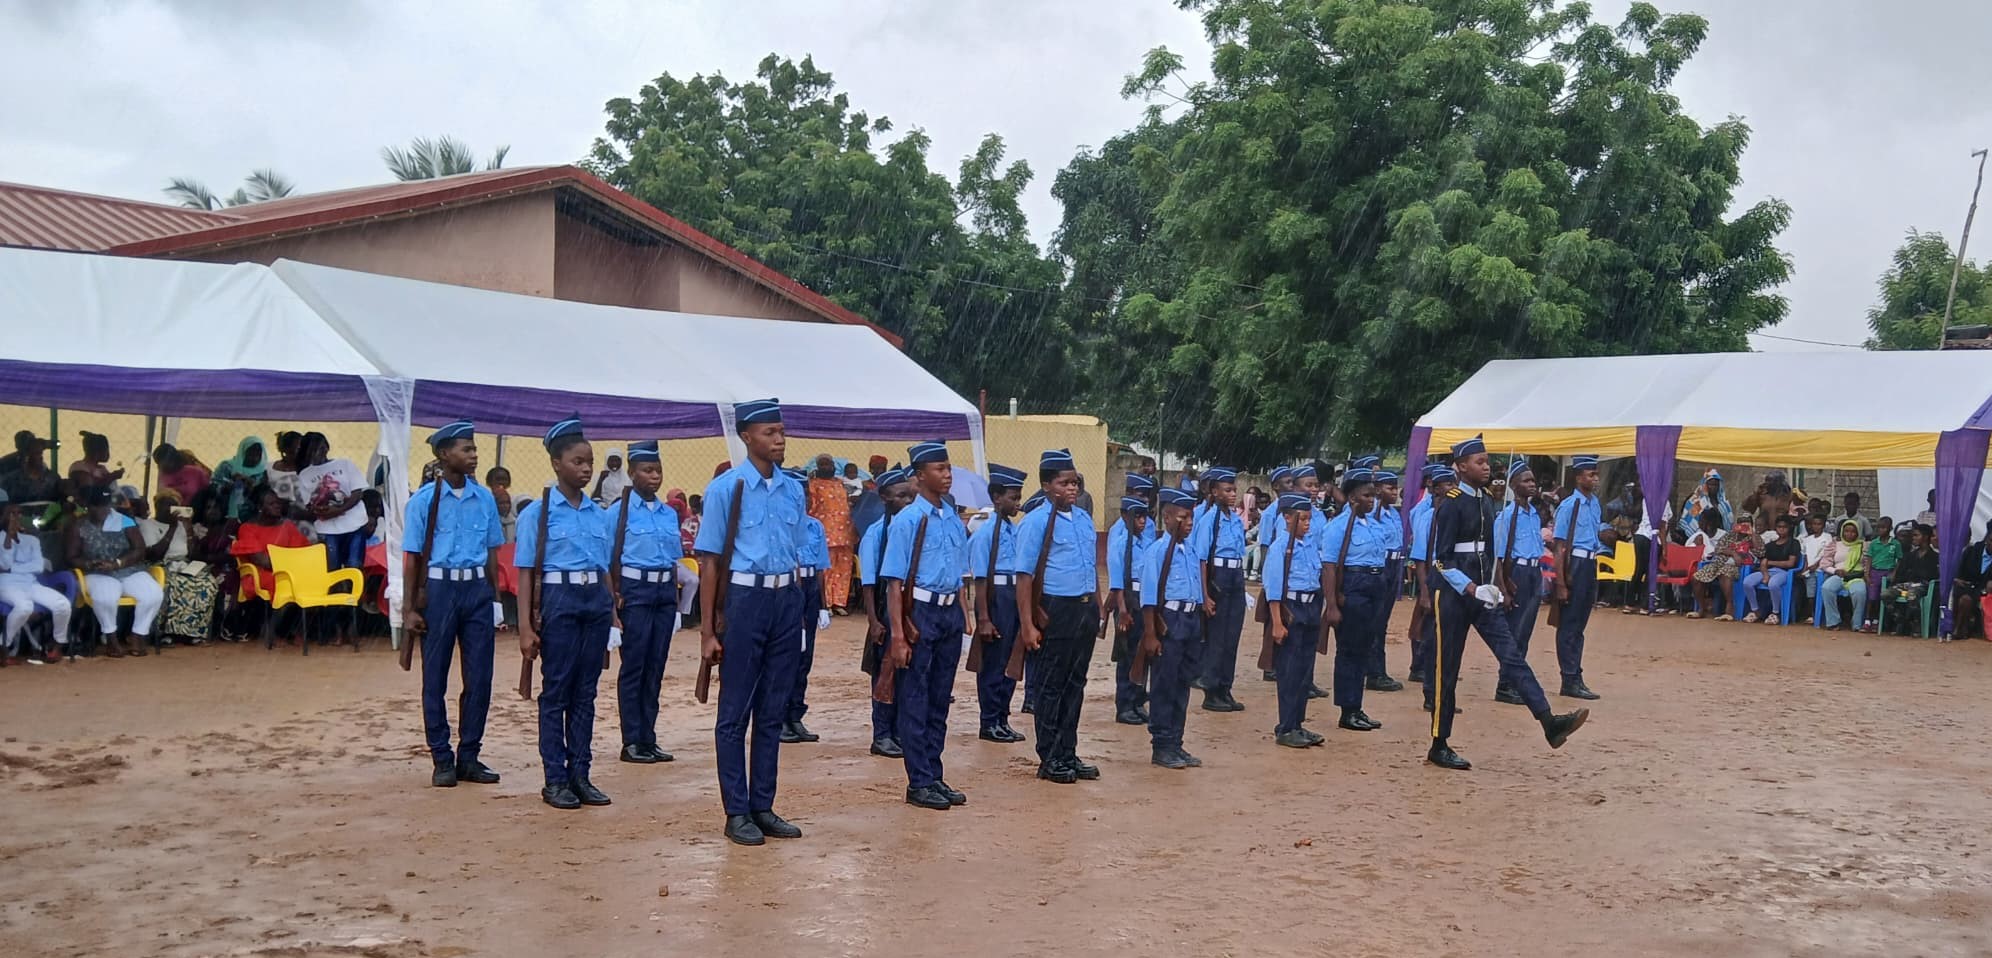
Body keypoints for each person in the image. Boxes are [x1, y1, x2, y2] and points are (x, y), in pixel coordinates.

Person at [1424, 435, 1589, 771]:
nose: (1486, 468)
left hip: (1483, 592)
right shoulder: (1451, 503)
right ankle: (1439, 743)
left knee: (1512, 655)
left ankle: (1548, 722)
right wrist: (1471, 588)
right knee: (1448, 669)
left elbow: (1490, 552)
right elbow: (1441, 561)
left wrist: (1495, 585)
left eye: (1487, 462)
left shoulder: (1487, 500)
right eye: (1479, 462)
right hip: (1454, 595)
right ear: (1460, 467)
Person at [696, 400, 807, 845]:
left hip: (786, 598)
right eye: (769, 432)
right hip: (745, 598)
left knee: (773, 708)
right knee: (734, 711)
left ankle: (763, 805)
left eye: (781, 431)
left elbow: (797, 548)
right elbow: (708, 563)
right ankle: (736, 811)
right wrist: (707, 630)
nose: (779, 440)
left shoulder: (793, 489)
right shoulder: (727, 488)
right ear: (747, 436)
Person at [516, 416, 615, 812]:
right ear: (557, 464)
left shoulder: (599, 514)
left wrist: (613, 615)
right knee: (556, 691)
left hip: (594, 602)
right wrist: (525, 627)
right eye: (578, 461)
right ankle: (555, 778)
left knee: (586, 693)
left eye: (589, 461)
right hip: (559, 598)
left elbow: (605, 568)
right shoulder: (537, 514)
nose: (586, 469)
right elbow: (525, 575)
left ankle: (581, 774)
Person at [401, 420, 505, 789]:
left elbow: (492, 551)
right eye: (466, 449)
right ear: (444, 455)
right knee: (436, 677)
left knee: (480, 677)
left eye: (474, 449)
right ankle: (441, 757)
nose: (473, 455)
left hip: (476, 590)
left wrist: (494, 599)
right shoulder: (423, 501)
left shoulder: (485, 499)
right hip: (440, 591)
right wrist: (409, 608)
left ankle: (470, 756)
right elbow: (412, 558)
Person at [877, 441, 971, 811]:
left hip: (948, 613)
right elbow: (894, 584)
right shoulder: (908, 521)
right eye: (939, 469)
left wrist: (965, 614)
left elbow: (960, 575)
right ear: (920, 476)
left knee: (939, 698)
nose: (947, 475)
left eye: (948, 468)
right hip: (921, 614)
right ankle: (918, 781)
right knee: (915, 697)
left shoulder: (951, 517)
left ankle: (934, 773)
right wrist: (898, 635)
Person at [1014, 448, 1103, 785]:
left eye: (1074, 482)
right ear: (1047, 485)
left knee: (1075, 684)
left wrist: (1097, 607)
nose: (1072, 488)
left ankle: (1068, 750)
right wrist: (1027, 624)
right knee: (1051, 685)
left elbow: (1090, 566)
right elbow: (1023, 576)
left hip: (1083, 609)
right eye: (1064, 482)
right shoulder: (1036, 521)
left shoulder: (1082, 518)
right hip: (1056, 609)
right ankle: (1050, 756)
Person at [1140, 488, 1207, 767]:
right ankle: (1162, 744)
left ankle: (1176, 742)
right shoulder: (1157, 551)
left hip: (1190, 621)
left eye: (1191, 517)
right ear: (1167, 518)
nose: (1189, 522)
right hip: (1169, 620)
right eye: (1183, 517)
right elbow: (1147, 599)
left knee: (1182, 684)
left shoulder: (1190, 550)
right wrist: (1151, 634)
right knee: (1164, 685)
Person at [1322, 469, 1390, 734]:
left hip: (1374, 585)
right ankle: (1347, 709)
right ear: (1351, 498)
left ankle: (1357, 706)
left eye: (1372, 495)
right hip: (1353, 586)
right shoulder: (1337, 527)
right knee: (1349, 650)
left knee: (1364, 648)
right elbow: (1329, 567)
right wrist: (1332, 605)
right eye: (1366, 495)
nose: (1371, 500)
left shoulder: (1372, 525)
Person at [968, 464, 1028, 744]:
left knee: (1011, 659)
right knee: (993, 661)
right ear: (996, 498)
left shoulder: (1011, 530)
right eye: (1012, 497)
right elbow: (980, 580)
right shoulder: (985, 534)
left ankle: (1002, 717)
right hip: (997, 598)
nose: (1017, 503)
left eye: (1018, 497)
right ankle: (989, 720)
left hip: (1015, 596)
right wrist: (983, 617)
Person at [1261, 491, 1325, 747]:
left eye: (1309, 520)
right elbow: (1274, 589)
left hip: (1310, 608)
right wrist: (1277, 622)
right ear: (1287, 518)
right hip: (1291, 608)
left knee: (1304, 671)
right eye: (1303, 520)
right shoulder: (1280, 548)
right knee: (1289, 670)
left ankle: (1297, 723)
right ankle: (1286, 726)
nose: (1307, 525)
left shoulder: (1308, 545)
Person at [70, 484, 162, 656]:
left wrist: (118, 563)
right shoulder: (79, 525)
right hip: (97, 573)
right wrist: (90, 563)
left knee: (153, 593)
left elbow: (139, 549)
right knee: (106, 596)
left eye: (107, 505)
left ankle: (138, 635)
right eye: (98, 505)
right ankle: (111, 639)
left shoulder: (124, 521)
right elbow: (72, 556)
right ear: (88, 507)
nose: (104, 509)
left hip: (127, 570)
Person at [859, 467, 913, 758]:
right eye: (900, 496)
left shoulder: (910, 527)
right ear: (884, 498)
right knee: (884, 674)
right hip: (883, 609)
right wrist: (874, 621)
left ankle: (899, 731)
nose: (906, 501)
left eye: (909, 495)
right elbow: (869, 582)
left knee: (905, 675)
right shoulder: (876, 533)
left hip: (908, 608)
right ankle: (881, 734)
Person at [1189, 466, 1248, 712]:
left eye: (1234, 489)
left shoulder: (1234, 519)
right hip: (1218, 575)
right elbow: (1202, 559)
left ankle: (1225, 687)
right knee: (1217, 638)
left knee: (1232, 636)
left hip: (1235, 575)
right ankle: (1211, 690)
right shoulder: (1209, 520)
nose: (1233, 494)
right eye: (1227, 490)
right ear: (1214, 492)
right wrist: (1205, 596)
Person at [1549, 456, 1604, 700]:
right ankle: (1569, 677)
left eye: (1595, 474)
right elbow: (1560, 546)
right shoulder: (1570, 505)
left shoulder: (1594, 503)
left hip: (1590, 562)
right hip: (1575, 563)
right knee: (1569, 624)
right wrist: (1560, 582)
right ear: (1578, 477)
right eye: (1590, 474)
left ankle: (1575, 674)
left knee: (1579, 624)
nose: (1595, 479)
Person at [1492, 459, 1546, 705]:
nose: (1532, 485)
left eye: (1533, 480)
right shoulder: (1507, 517)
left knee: (1525, 632)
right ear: (1514, 485)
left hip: (1534, 573)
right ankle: (1505, 684)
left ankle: (1512, 682)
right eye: (1526, 480)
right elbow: (1499, 557)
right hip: (1517, 575)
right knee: (1514, 631)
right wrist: (1504, 589)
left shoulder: (1534, 515)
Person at [783, 467, 828, 745]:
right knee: (785, 657)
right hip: (789, 588)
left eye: (806, 494)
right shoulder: (782, 525)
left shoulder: (815, 526)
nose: (804, 499)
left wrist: (823, 605)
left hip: (810, 590)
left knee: (805, 657)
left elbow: (821, 568)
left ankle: (796, 714)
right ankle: (778, 718)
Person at [0, 491, 71, 661]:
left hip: (31, 584)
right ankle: (4, 645)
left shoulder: (32, 540)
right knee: (24, 607)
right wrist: (9, 537)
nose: (16, 517)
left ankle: (57, 644)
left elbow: (38, 567)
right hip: (6, 584)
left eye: (19, 513)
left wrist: (12, 569)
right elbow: (5, 565)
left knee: (62, 604)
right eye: (12, 513)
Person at [1407, 463, 1456, 696]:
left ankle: (1439, 684)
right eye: (1448, 484)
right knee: (1428, 632)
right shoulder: (1427, 517)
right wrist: (1424, 592)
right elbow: (1420, 558)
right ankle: (1427, 682)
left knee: (1447, 635)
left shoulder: (1454, 513)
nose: (1453, 488)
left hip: (1452, 578)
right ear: (1435, 488)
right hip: (1434, 577)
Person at [293, 433, 369, 573]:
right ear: (307, 452)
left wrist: (339, 510)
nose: (319, 453)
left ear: (327, 447)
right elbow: (308, 504)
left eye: (321, 448)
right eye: (314, 450)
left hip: (354, 524)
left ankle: (353, 594)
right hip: (328, 529)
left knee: (354, 566)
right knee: (332, 569)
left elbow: (358, 493)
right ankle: (337, 594)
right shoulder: (304, 475)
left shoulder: (345, 464)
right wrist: (319, 510)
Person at [1107, 494, 1151, 726]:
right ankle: (1123, 705)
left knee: (1141, 654)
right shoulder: (1120, 544)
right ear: (1125, 516)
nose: (1142, 520)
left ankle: (1136, 701)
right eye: (1137, 516)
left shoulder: (1144, 542)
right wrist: (1122, 611)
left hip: (1143, 600)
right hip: (1128, 601)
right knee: (1127, 654)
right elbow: (1116, 583)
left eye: (1145, 515)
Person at [1367, 469, 1407, 691]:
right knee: (1376, 621)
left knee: (1382, 619)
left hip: (1394, 565)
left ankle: (1373, 667)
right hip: (1380, 565)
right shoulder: (1371, 513)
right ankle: (1375, 672)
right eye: (1390, 488)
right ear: (1378, 489)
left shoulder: (1392, 513)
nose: (1395, 492)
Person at [806, 454, 857, 617]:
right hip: (825, 532)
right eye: (824, 464)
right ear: (818, 466)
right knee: (826, 569)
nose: (827, 467)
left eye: (830, 464)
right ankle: (825, 603)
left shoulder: (840, 483)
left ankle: (839, 602)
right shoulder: (813, 485)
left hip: (846, 532)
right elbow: (810, 508)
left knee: (844, 569)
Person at [1604, 481, 1653, 614]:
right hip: (1647, 537)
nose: (1637, 490)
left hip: (1638, 536)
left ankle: (1631, 603)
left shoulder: (1644, 501)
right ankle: (1643, 605)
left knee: (1639, 571)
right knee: (1647, 572)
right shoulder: (1649, 501)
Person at [1741, 516, 1801, 624]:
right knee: (1747, 582)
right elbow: (1763, 563)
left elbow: (1790, 563)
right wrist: (1765, 575)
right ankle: (1755, 611)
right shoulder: (1770, 545)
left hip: (1784, 573)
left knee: (1773, 584)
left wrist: (1770, 563)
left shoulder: (1794, 543)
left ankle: (1775, 613)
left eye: (1784, 527)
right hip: (1768, 571)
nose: (1782, 529)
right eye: (1779, 527)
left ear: (1789, 528)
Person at [1816, 519, 1870, 632]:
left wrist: (1866, 574)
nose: (1849, 534)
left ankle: (1856, 624)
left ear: (1858, 533)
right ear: (1842, 531)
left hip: (1856, 576)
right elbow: (1824, 564)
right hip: (1839, 574)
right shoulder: (1835, 544)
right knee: (1827, 588)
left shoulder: (1863, 546)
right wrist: (1835, 571)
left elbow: (1867, 564)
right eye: (1846, 531)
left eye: (1853, 532)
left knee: (1859, 592)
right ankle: (1833, 621)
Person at [1886, 525, 1939, 637]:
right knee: (1886, 594)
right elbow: (1901, 573)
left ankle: (1916, 623)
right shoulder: (1910, 555)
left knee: (1912, 594)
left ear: (1925, 537)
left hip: (1923, 586)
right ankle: (1899, 620)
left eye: (1916, 535)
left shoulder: (1935, 557)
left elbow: (1933, 576)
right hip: (1907, 584)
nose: (1913, 538)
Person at [1950, 521, 1992, 642]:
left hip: (1984, 590)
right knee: (1964, 598)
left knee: (1969, 599)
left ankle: (1962, 629)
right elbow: (1958, 571)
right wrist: (1956, 579)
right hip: (1965, 585)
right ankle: (1959, 628)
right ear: (1987, 540)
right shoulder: (1971, 551)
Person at [212, 436, 269, 521]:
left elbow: (265, 496)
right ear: (243, 451)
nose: (255, 455)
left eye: (258, 451)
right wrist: (226, 487)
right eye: (251, 451)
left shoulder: (263, 472)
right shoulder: (227, 466)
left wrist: (251, 485)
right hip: (223, 512)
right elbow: (213, 486)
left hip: (251, 517)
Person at [0, 432, 61, 507]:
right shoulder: (9, 479)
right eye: (35, 453)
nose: (40, 457)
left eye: (39, 453)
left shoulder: (52, 478)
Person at [1675, 470, 1734, 544]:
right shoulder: (1696, 501)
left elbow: (1728, 522)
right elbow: (1691, 520)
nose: (1714, 487)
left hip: (1719, 538)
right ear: (1705, 485)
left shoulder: (1724, 504)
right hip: (1699, 539)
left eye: (1716, 485)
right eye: (1711, 484)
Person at [1793, 513, 1832, 623]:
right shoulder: (1807, 539)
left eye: (1819, 524)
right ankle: (1812, 614)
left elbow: (1826, 554)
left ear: (1823, 525)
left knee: (1821, 593)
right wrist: (1805, 568)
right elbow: (1805, 556)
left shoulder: (1827, 537)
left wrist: (1816, 565)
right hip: (1810, 570)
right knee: (1810, 594)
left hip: (1822, 570)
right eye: (1814, 524)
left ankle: (1822, 616)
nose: (1816, 526)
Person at [67, 431, 124, 498]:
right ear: (97, 451)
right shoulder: (79, 467)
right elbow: (90, 490)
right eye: (106, 449)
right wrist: (112, 476)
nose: (108, 454)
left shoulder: (102, 468)